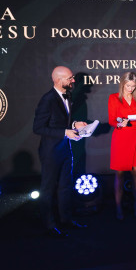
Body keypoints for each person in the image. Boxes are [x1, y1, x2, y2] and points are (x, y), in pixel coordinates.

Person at [33, 66, 88, 237]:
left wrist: (74, 125)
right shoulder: (47, 99)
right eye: (70, 78)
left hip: (65, 149)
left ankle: (66, 219)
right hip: (50, 152)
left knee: (65, 187)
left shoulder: (67, 95)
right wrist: (65, 132)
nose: (73, 80)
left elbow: (61, 122)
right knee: (48, 189)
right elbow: (38, 128)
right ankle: (49, 225)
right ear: (58, 80)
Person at [108, 71, 136, 220]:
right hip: (121, 137)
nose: (130, 89)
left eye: (133, 86)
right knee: (119, 174)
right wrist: (120, 123)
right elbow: (112, 120)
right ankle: (118, 208)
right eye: (128, 86)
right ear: (122, 84)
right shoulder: (113, 98)